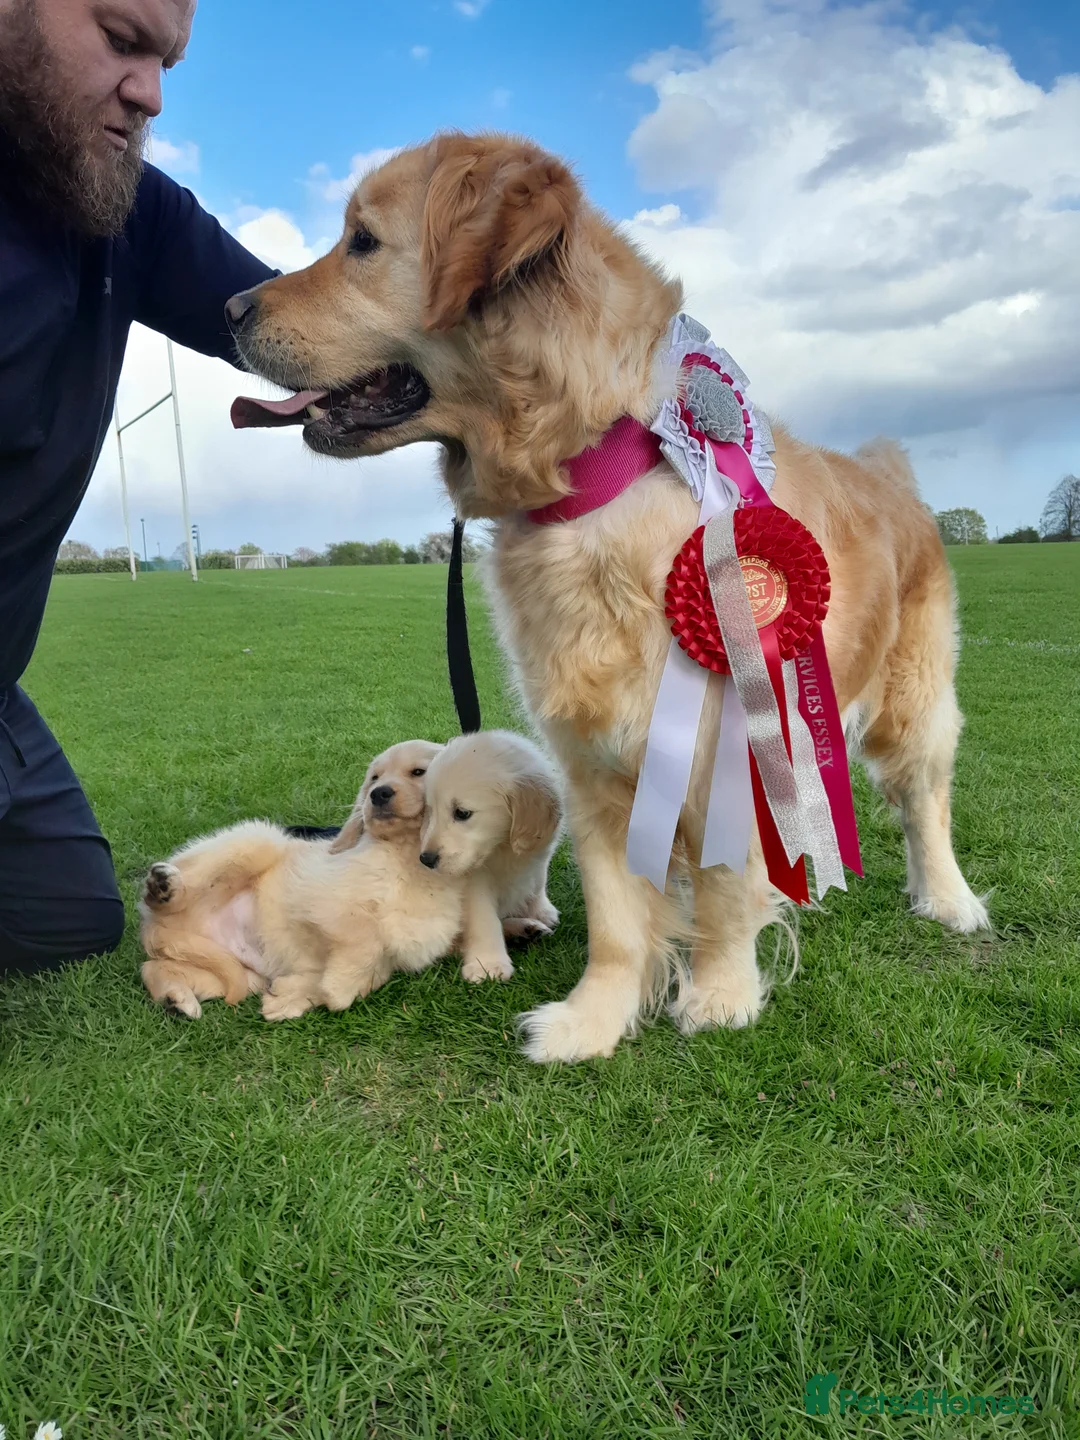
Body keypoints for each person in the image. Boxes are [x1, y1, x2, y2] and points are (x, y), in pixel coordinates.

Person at [0, 0, 278, 977]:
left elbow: (293, 325)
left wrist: (500, 352)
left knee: (69, 913)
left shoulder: (126, 211)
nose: (149, 92)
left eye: (164, 60)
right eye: (121, 40)